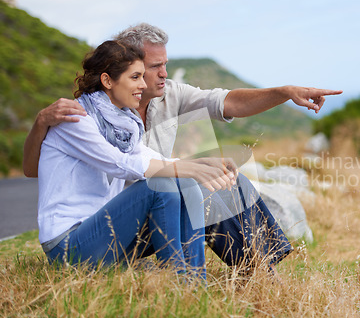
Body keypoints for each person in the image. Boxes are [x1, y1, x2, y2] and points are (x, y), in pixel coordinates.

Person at [24, 23, 343, 272]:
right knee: (170, 184)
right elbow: (121, 164)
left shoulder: (145, 108)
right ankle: (190, 282)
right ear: (117, 72)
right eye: (147, 69)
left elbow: (226, 102)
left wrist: (284, 92)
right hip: (112, 222)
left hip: (131, 222)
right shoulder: (79, 115)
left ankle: (258, 271)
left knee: (223, 182)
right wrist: (40, 122)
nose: (162, 74)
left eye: (165, 64)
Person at [37, 40, 238, 280]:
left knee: (185, 183)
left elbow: (148, 157)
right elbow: (120, 164)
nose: (143, 85)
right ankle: (176, 283)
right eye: (135, 77)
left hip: (104, 234)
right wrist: (188, 169)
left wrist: (201, 165)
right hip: (68, 246)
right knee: (160, 184)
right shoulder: (76, 119)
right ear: (107, 81)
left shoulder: (121, 122)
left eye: (143, 77)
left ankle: (195, 283)